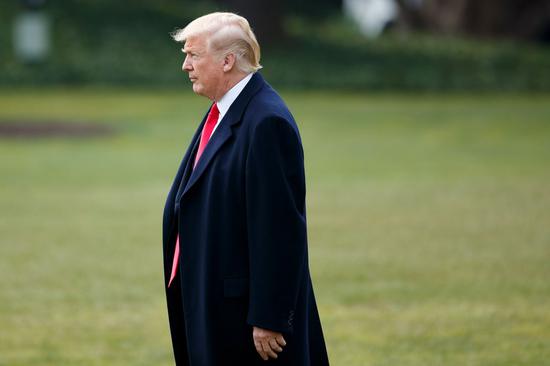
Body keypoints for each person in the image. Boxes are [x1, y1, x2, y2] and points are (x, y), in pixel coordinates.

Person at [162, 12, 329, 366]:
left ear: (226, 61)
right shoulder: (225, 109)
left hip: (245, 317)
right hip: (215, 298)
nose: (185, 66)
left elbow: (280, 228)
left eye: (193, 55)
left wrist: (269, 317)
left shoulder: (266, 121)